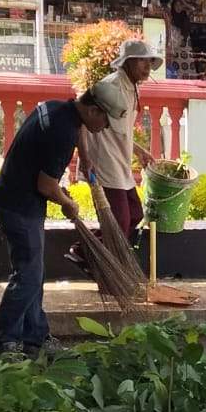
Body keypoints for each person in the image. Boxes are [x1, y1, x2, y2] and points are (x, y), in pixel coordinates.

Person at [0, 83, 128, 357]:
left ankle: (35, 338)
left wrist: (86, 160)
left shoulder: (58, 108)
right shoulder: (61, 133)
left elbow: (79, 132)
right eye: (105, 120)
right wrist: (68, 203)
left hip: (16, 195)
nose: (106, 127)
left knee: (33, 272)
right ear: (93, 109)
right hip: (19, 203)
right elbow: (46, 186)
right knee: (27, 274)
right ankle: (3, 341)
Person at [67, 39, 162, 274]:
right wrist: (86, 159)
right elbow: (81, 113)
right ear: (127, 62)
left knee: (135, 215)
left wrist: (139, 150)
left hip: (120, 160)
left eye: (149, 61)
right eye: (142, 60)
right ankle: (84, 253)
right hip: (103, 161)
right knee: (119, 221)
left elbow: (122, 129)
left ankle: (91, 255)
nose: (147, 66)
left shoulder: (132, 87)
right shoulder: (110, 85)